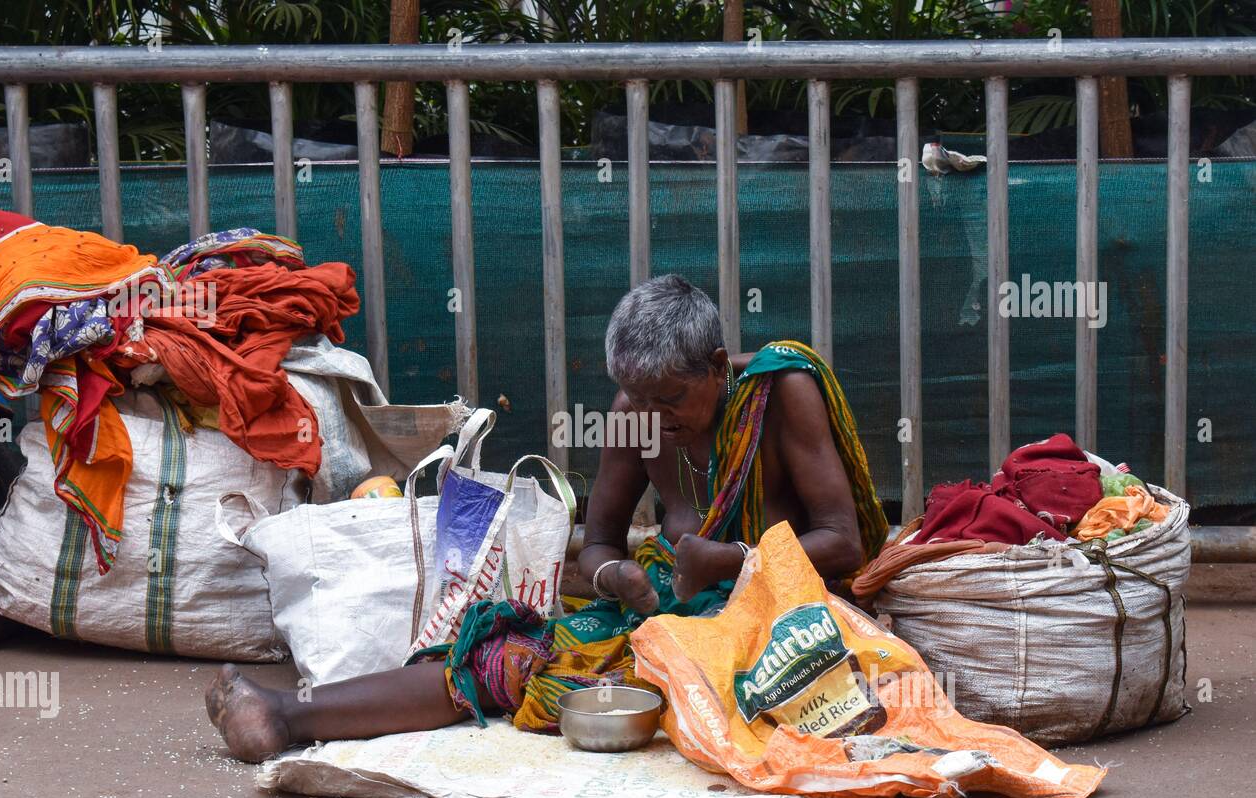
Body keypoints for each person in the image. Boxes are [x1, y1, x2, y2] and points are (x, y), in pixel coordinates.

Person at [205, 274, 887, 761]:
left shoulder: (779, 393)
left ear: (716, 366)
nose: (658, 417)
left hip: (770, 613)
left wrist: (733, 561)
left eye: (673, 397)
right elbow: (596, 547)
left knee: (699, 673)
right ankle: (289, 716)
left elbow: (845, 545)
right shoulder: (634, 416)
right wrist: (618, 575)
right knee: (501, 655)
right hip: (664, 615)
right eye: (640, 398)